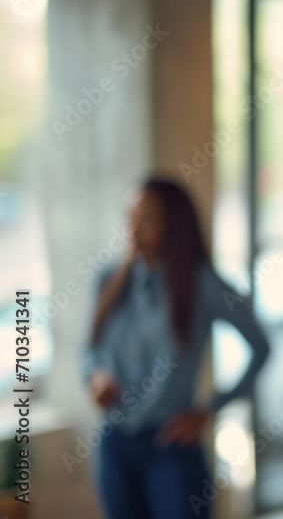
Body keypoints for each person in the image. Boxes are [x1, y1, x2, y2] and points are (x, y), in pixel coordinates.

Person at [83, 178, 270, 519]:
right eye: (129, 217)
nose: (133, 229)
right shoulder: (109, 278)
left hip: (171, 446)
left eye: (147, 218)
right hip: (115, 442)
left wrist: (210, 408)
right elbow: (90, 349)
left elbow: (261, 346)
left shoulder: (202, 284)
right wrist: (96, 376)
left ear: (175, 224)